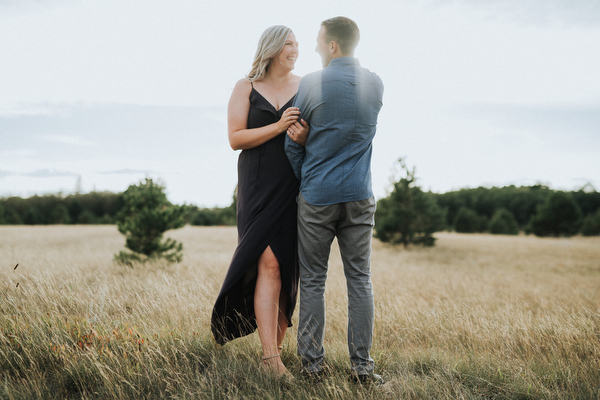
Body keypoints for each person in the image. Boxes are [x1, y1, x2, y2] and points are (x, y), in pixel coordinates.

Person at [284, 16, 384, 383]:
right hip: (359, 194)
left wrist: (307, 170)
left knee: (312, 280)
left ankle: (312, 368)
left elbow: (291, 140)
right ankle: (362, 369)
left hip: (317, 196)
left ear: (332, 46)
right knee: (360, 280)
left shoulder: (312, 83)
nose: (312, 47)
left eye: (317, 41)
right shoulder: (375, 83)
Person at [211, 25, 309, 378]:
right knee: (267, 264)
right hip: (256, 187)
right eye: (288, 44)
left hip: (295, 187)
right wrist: (279, 126)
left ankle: (277, 352)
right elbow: (236, 138)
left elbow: (319, 135)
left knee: (286, 268)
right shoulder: (246, 87)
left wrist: (305, 135)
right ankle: (270, 359)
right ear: (271, 48)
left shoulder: (307, 86)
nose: (295, 50)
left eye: (297, 44)